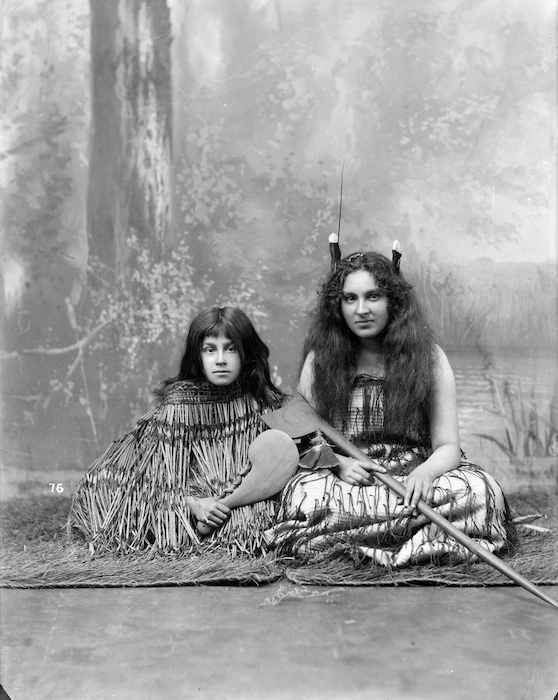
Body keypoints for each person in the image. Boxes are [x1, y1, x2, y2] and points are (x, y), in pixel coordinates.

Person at [266, 245, 517, 568]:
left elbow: (448, 447)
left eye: (373, 296)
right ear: (337, 306)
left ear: (393, 301)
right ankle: (418, 539)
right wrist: (337, 463)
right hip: (348, 482)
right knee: (306, 495)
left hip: (413, 477)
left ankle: (360, 541)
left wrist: (426, 473)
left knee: (480, 491)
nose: (361, 309)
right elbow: (304, 440)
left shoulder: (429, 358)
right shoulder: (320, 362)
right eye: (350, 299)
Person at [70, 307, 287, 556]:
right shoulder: (177, 410)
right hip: (188, 502)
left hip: (240, 499)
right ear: (198, 355)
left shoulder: (266, 407)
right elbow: (158, 482)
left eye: (230, 348)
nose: (220, 360)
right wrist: (192, 504)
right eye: (210, 349)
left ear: (246, 353)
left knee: (252, 521)